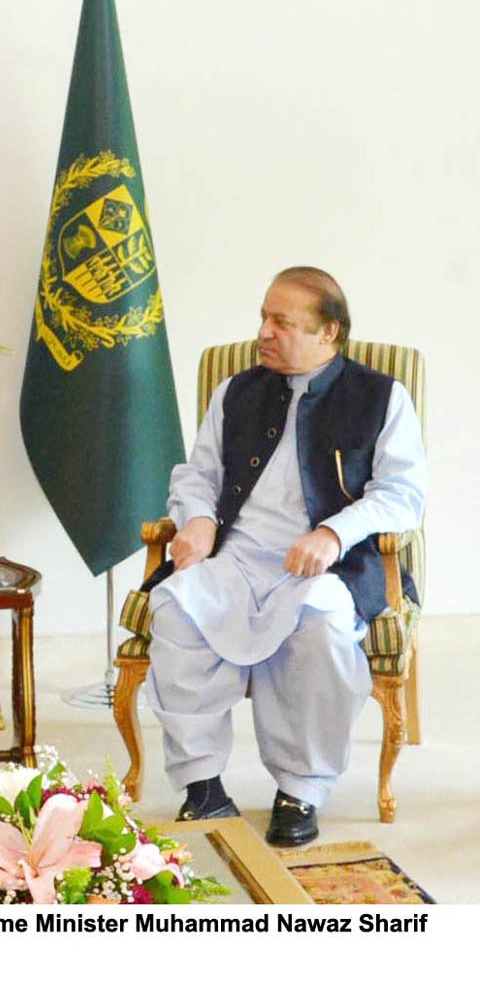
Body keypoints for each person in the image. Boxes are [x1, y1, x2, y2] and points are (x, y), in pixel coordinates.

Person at [143, 267, 426, 846]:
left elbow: (403, 495)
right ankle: (202, 787)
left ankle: (301, 788)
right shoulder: (237, 391)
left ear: (330, 333)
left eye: (281, 323)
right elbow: (199, 475)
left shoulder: (381, 397)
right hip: (238, 558)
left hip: (326, 565)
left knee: (319, 627)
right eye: (263, 318)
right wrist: (197, 518)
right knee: (175, 607)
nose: (263, 333)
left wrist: (332, 533)